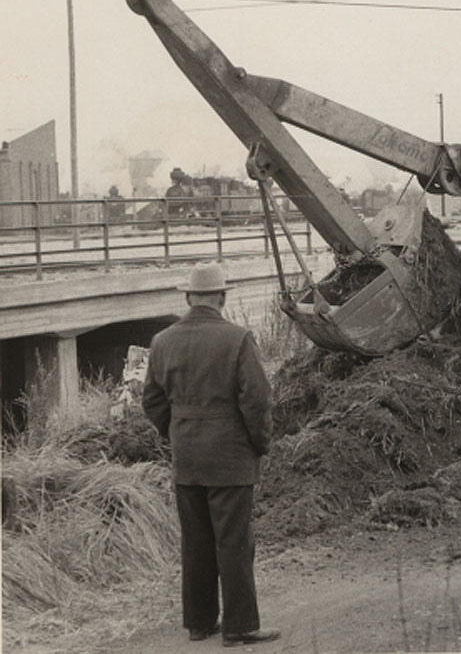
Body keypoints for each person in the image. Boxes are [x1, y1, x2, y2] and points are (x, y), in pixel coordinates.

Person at [142, 263, 280, 647]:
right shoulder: (236, 339)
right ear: (222, 297)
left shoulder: (162, 341)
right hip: (230, 458)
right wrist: (259, 444)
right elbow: (257, 400)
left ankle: (200, 623)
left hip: (186, 457)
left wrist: (176, 431)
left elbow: (151, 401)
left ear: (188, 297)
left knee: (196, 542)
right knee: (234, 543)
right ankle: (239, 627)